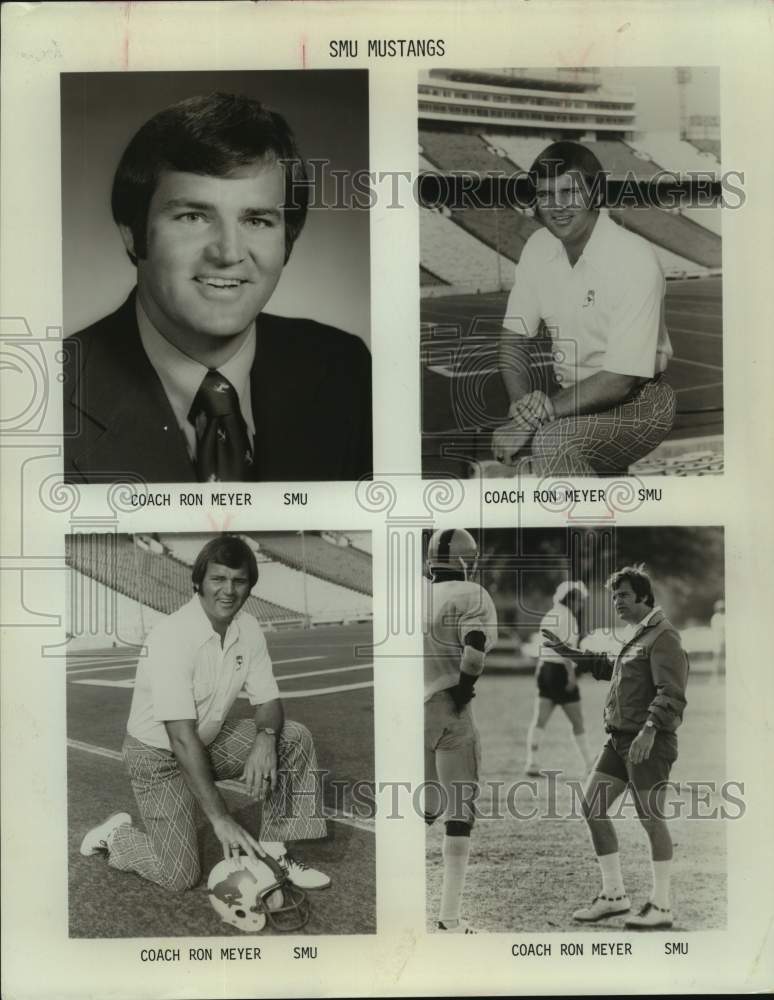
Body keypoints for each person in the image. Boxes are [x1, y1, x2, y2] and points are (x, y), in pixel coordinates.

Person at [63, 92, 372, 484]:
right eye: (193, 216)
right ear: (132, 233)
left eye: (257, 221)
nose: (228, 253)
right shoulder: (46, 403)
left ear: (287, 241)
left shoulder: (345, 370)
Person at [80, 535, 330, 893]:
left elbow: (269, 701)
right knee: (178, 877)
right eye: (218, 579)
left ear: (249, 586)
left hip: (206, 742)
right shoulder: (171, 637)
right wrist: (220, 817)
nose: (228, 590)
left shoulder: (249, 629)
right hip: (158, 757)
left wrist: (266, 737)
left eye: (239, 581)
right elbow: (180, 737)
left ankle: (276, 854)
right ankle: (116, 837)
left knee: (293, 737)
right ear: (198, 582)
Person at [491, 141, 676, 475]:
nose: (556, 206)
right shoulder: (537, 247)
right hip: (573, 399)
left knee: (552, 443)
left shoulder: (633, 258)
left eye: (569, 192)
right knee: (556, 452)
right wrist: (521, 407)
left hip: (639, 401)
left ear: (594, 194)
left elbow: (620, 378)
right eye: (545, 194)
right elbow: (513, 340)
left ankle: (587, 527)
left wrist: (536, 417)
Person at [543, 564, 689, 930]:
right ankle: (613, 896)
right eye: (614, 596)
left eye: (623, 595)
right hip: (619, 739)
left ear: (643, 596)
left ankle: (662, 906)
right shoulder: (636, 635)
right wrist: (567, 650)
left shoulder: (663, 636)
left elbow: (671, 693)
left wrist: (650, 730)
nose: (616, 602)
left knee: (650, 818)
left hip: (647, 742)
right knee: (592, 805)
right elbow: (612, 669)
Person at [423, 528, 498, 933]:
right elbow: (473, 652)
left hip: (410, 709)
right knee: (459, 813)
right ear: (466, 561)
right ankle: (449, 918)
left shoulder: (414, 593)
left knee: (422, 808)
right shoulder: (472, 594)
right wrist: (464, 691)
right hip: (447, 704)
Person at [525, 581, 594, 777]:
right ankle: (590, 764)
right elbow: (565, 650)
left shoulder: (550, 614)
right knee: (578, 721)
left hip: (544, 668)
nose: (581, 604)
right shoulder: (569, 618)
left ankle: (532, 761)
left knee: (539, 720)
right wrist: (571, 675)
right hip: (560, 671)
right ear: (571, 599)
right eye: (580, 600)